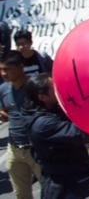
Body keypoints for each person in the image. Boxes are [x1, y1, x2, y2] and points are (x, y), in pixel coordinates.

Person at [23, 73, 89, 198]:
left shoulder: (51, 110)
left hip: (72, 178)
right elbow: (79, 134)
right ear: (42, 97)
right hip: (63, 187)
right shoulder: (43, 124)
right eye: (54, 87)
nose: (59, 88)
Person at [0, 51, 42, 199]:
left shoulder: (36, 86)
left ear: (20, 67)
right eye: (1, 69)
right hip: (14, 149)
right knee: (21, 194)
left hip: (37, 149)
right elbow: (6, 111)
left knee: (50, 190)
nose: (3, 73)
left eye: (7, 69)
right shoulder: (4, 89)